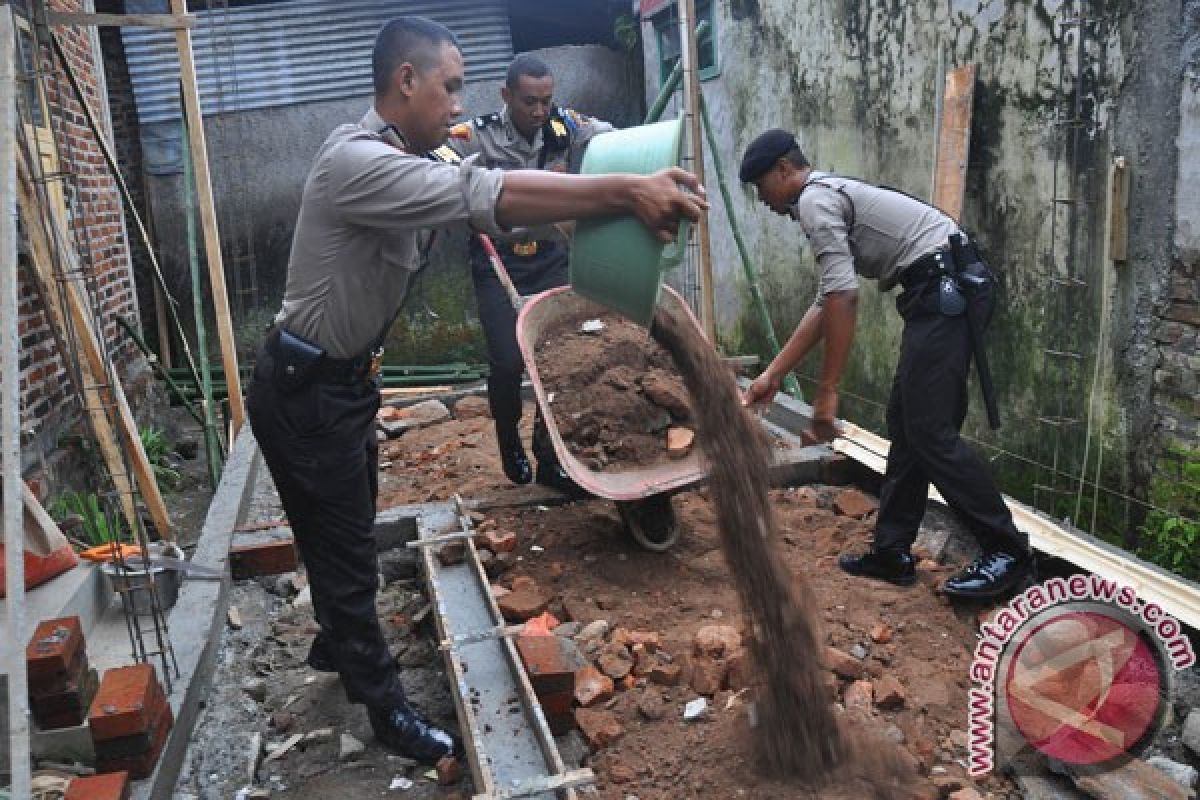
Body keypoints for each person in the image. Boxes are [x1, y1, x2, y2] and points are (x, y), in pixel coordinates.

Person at [246, 16, 705, 765]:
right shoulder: (357, 161)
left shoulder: (405, 153)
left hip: (344, 383)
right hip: (305, 391)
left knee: (349, 523)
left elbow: (503, 199)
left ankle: (336, 636)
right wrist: (623, 187)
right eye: (450, 87)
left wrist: (600, 223)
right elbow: (478, 190)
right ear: (406, 82)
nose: (458, 106)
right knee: (346, 550)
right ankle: (384, 706)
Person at [737, 128, 1031, 600]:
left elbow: (843, 298)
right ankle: (892, 551)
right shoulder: (826, 194)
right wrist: (773, 374)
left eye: (760, 187)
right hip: (939, 290)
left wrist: (828, 390)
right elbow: (826, 301)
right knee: (908, 424)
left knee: (930, 429)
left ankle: (1008, 551)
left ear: (784, 171)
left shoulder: (814, 200)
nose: (763, 201)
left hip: (946, 290)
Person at [444, 54, 613, 492]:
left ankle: (549, 454)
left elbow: (613, 140)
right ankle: (507, 437)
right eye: (528, 102)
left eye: (545, 101)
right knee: (506, 361)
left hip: (549, 257)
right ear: (506, 96)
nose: (539, 112)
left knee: (554, 358)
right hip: (498, 260)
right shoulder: (476, 136)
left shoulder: (563, 126)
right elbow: (437, 159)